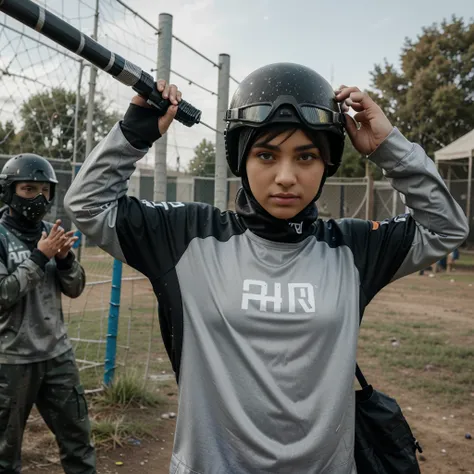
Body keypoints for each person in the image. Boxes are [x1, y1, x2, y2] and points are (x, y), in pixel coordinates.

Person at [64, 63, 468, 474]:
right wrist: (135, 132)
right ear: (241, 157)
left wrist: (387, 145)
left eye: (306, 156)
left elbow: (447, 226)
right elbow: (88, 205)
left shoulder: (352, 248)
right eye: (266, 154)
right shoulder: (186, 236)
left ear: (327, 162)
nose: (286, 177)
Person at [0, 154, 96, 473]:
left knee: (79, 443)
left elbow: (76, 287)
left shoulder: (52, 232)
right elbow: (3, 294)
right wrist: (40, 257)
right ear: (9, 191)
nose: (39, 197)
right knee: (5, 454)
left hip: (58, 356)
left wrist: (66, 260)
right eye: (28, 189)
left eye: (45, 190)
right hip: (12, 361)